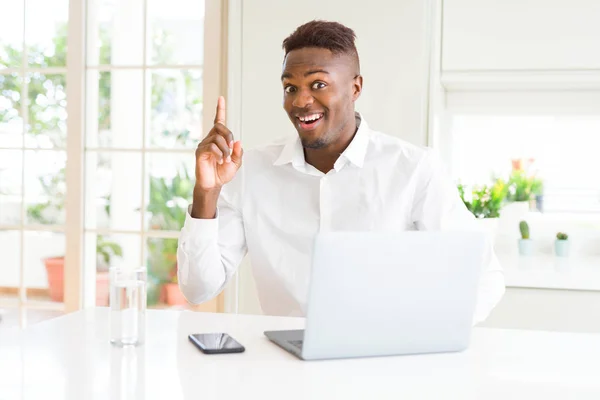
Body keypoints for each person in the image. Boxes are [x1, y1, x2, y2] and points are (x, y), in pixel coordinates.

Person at [177, 20, 505, 323]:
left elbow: (483, 278)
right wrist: (206, 192)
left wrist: (420, 338)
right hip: (281, 367)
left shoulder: (414, 169)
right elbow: (198, 289)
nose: (301, 101)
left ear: (356, 88)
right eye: (290, 87)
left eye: (318, 84)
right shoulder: (250, 172)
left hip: (379, 365)